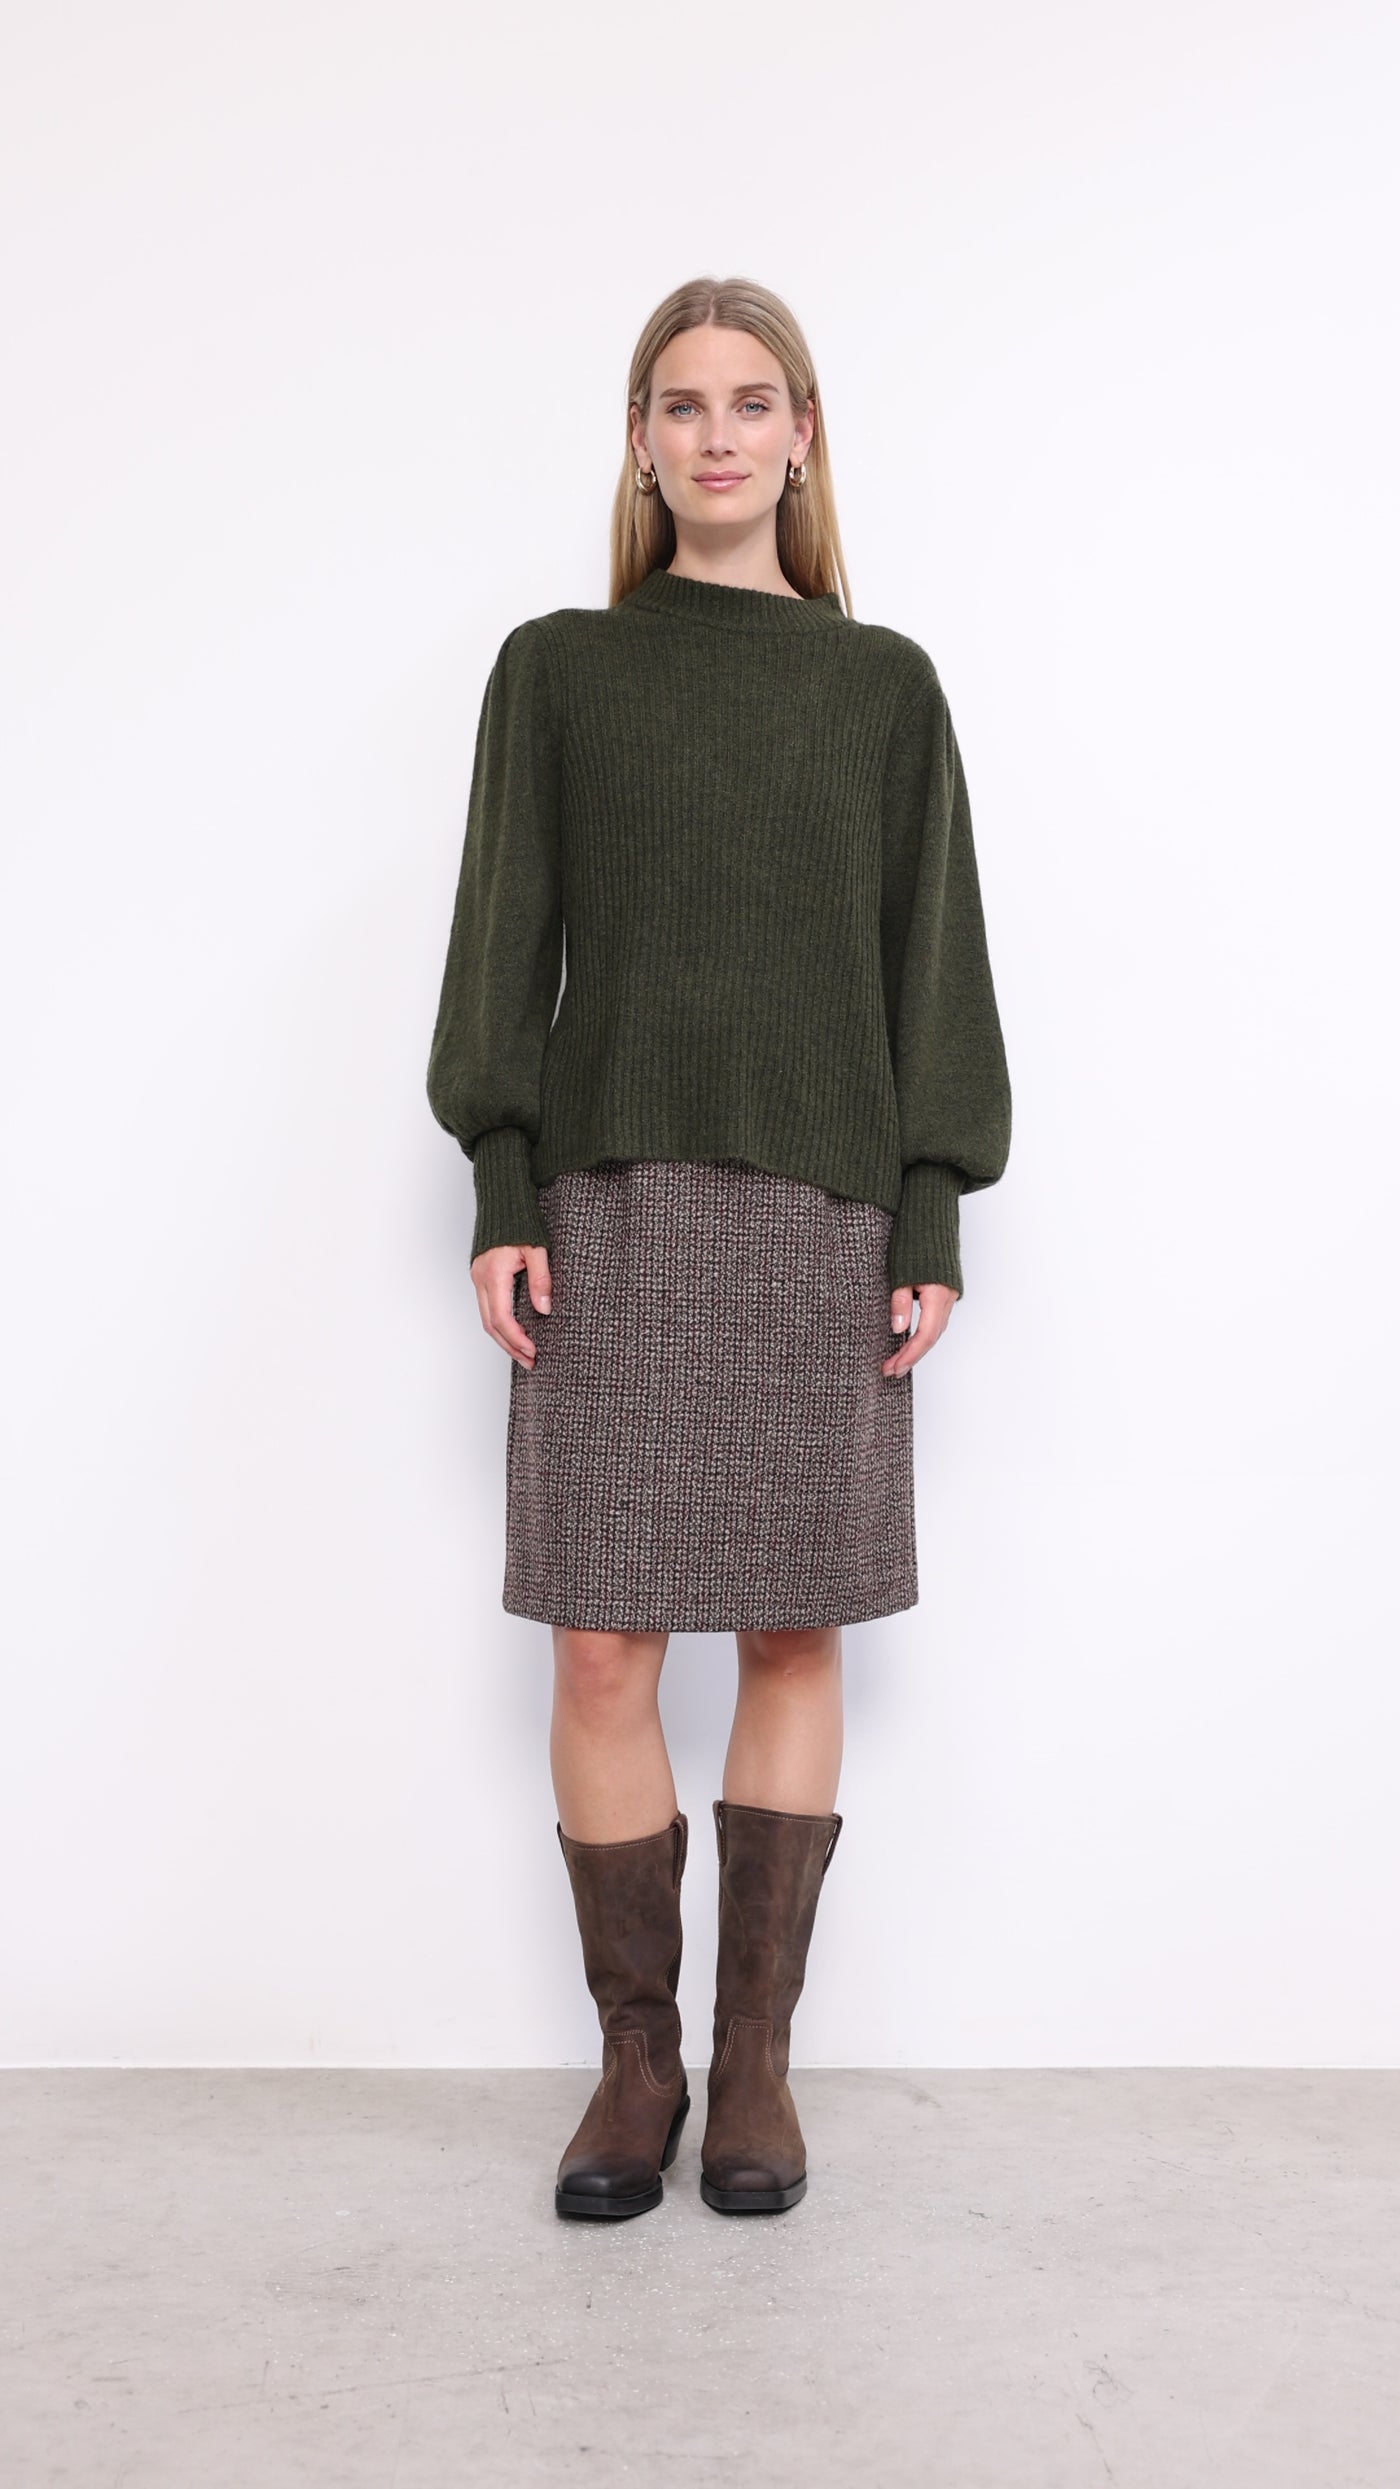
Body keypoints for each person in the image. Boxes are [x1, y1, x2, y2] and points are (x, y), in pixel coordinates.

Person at [426, 273, 1012, 2221]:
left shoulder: (881, 688)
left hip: (818, 1211)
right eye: (682, 403)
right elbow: (499, 951)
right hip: (607, 1207)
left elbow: (931, 964)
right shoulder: (557, 674)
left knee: (787, 1622)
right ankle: (637, 2064)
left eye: (753, 400)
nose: (718, 434)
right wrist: (503, 1184)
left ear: (803, 435)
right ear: (640, 439)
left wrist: (928, 1205)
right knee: (603, 1639)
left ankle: (754, 2063)